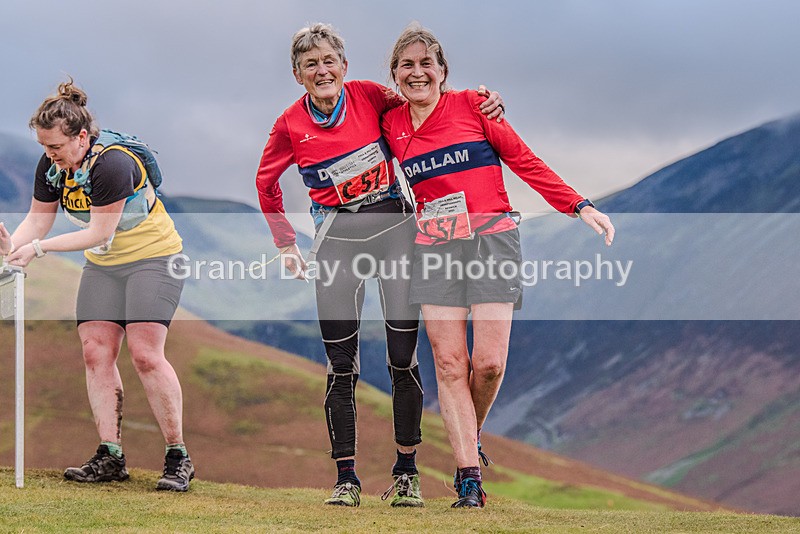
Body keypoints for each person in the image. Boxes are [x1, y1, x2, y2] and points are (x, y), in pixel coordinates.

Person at [255, 23, 504, 507]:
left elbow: (426, 103)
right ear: (297, 75)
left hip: (394, 231)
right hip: (335, 240)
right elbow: (265, 183)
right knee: (340, 363)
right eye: (311, 65)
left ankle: (406, 473)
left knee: (401, 357)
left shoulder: (371, 95)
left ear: (344, 67)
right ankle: (346, 479)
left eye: (330, 61)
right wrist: (286, 244)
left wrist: (484, 102)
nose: (322, 70)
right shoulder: (288, 124)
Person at [381, 24, 615, 509]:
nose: (418, 72)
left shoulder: (473, 105)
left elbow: (523, 160)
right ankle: (469, 478)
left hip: (493, 241)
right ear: (395, 76)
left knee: (487, 365)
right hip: (435, 246)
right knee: (449, 363)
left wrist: (578, 205)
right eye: (408, 65)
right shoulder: (390, 123)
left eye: (427, 63)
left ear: (443, 72)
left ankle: (472, 435)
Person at [0, 79, 195, 492]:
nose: (49, 155)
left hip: (155, 259)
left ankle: (178, 456)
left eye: (55, 146)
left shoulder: (112, 164)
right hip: (105, 267)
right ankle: (110, 455)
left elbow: (98, 234)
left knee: (145, 354)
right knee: (95, 352)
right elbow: (38, 219)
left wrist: (37, 249)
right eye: (43, 146)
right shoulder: (52, 165)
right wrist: (9, 247)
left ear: (82, 137)